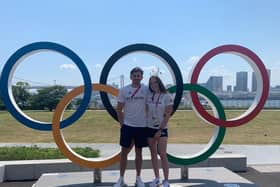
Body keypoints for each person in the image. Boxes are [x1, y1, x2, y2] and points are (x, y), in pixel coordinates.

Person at [114, 67, 149, 187]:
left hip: (142, 126)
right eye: (134, 75)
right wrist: (122, 124)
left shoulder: (146, 89)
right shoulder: (124, 90)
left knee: (139, 152)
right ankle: (121, 179)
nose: (136, 78)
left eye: (138, 75)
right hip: (128, 125)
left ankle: (138, 178)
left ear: (142, 77)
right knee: (124, 152)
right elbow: (119, 109)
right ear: (131, 77)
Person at [146, 76, 173, 187]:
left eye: (155, 82)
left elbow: (167, 115)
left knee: (162, 154)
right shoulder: (149, 95)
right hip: (149, 127)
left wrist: (160, 130)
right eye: (151, 83)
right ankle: (157, 178)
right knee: (153, 154)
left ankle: (166, 180)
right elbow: (146, 110)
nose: (153, 85)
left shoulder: (167, 96)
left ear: (159, 83)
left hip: (162, 128)